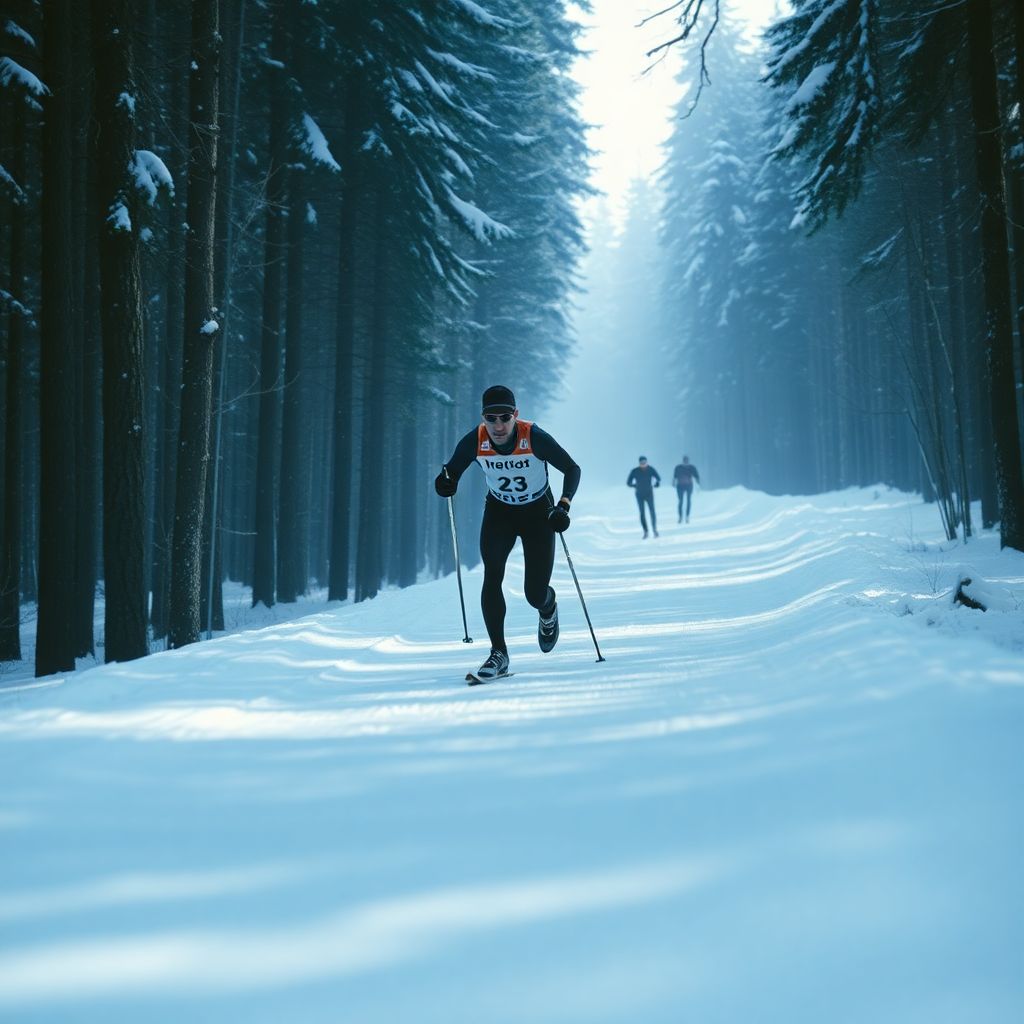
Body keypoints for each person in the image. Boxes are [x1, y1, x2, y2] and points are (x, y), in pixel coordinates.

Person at [435, 385, 581, 680]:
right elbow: (451, 472)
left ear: (516, 414)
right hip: (500, 513)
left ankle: (548, 607)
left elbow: (572, 468)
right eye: (491, 418)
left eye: (504, 417)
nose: (498, 426)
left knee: (534, 593)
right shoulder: (475, 440)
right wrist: (445, 483)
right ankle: (498, 653)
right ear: (483, 418)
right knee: (492, 574)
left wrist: (563, 506)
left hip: (538, 514)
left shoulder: (534, 437)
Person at [627, 456, 660, 538]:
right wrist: (634, 485)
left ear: (647, 462)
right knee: (642, 513)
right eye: (642, 462)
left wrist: (657, 484)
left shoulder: (651, 469)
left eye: (644, 462)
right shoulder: (635, 471)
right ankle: (645, 531)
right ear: (639, 463)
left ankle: (654, 530)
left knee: (652, 512)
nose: (643, 463)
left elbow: (658, 478)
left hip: (649, 494)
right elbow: (628, 482)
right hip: (639, 495)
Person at [672, 455, 701, 523]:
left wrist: (698, 483)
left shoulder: (691, 467)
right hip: (680, 486)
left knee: (688, 501)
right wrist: (673, 483)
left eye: (686, 461)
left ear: (688, 461)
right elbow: (675, 476)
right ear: (683, 461)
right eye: (685, 460)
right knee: (681, 501)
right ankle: (680, 517)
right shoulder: (678, 467)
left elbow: (696, 476)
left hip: (688, 486)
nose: (685, 462)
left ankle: (687, 516)